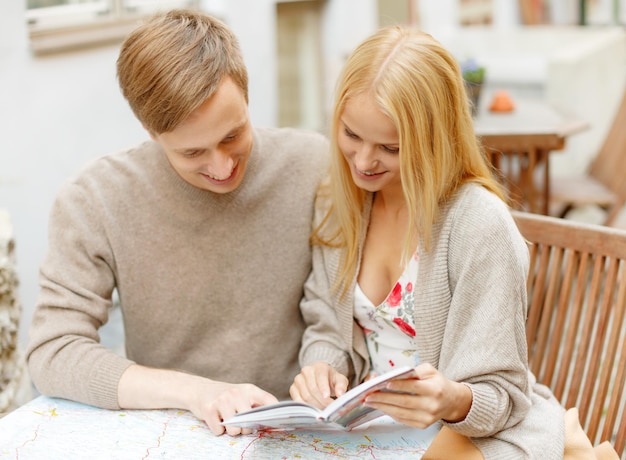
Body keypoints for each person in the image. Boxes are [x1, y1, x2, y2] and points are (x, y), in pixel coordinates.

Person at [26, 9, 329, 436]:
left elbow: (334, 312)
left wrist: (323, 372)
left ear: (246, 95)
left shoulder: (312, 165)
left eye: (232, 135)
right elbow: (53, 351)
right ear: (151, 131)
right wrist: (197, 393)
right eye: (192, 153)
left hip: (297, 431)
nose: (222, 167)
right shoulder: (93, 200)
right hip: (175, 432)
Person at [289, 25, 566, 458]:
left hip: (472, 438)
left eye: (390, 147)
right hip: (373, 435)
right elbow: (325, 320)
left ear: (433, 140)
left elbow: (503, 395)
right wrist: (320, 368)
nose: (363, 161)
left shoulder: (478, 224)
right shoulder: (339, 202)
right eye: (351, 135)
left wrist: (452, 400)